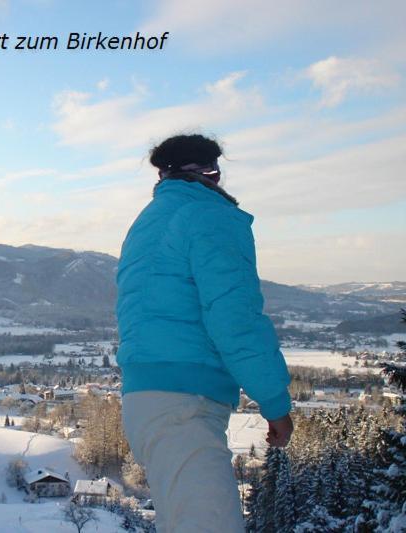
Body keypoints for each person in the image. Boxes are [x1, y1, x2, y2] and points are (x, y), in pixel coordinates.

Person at [117, 134, 293, 533]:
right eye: (216, 170)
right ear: (208, 172)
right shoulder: (209, 217)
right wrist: (273, 401)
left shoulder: (150, 220)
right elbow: (236, 318)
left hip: (149, 397)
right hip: (184, 404)